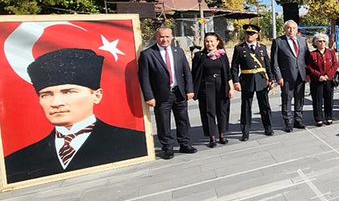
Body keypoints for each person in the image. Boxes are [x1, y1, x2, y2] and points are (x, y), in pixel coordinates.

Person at [5, 49, 148, 183]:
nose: (56, 103)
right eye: (46, 94)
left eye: (68, 92)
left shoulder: (135, 142)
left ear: (96, 96)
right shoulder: (16, 161)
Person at [139, 27, 195, 159]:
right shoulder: (147, 54)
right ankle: (168, 148)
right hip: (161, 94)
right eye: (161, 37)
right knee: (163, 122)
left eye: (167, 37)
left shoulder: (178, 51)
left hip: (179, 92)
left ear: (172, 37)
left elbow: (187, 72)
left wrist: (190, 89)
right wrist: (149, 96)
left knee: (183, 119)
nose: (165, 39)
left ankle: (185, 144)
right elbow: (144, 77)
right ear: (156, 37)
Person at [231, 24, 274, 141]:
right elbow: (234, 67)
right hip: (246, 80)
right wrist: (236, 82)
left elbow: (268, 65)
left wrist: (271, 79)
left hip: (261, 79)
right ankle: (245, 132)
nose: (249, 35)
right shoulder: (239, 48)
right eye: (247, 33)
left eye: (252, 33)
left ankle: (268, 127)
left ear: (257, 35)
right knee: (246, 107)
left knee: (265, 106)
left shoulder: (262, 48)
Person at [192, 33, 233, 148]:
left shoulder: (223, 54)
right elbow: (194, 74)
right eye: (207, 41)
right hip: (206, 86)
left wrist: (231, 88)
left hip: (221, 85)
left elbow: (228, 73)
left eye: (211, 41)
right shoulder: (199, 55)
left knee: (222, 110)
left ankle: (222, 134)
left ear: (217, 42)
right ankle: (212, 137)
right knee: (208, 111)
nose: (209, 44)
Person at [270, 20, 308, 132]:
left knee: (299, 98)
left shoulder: (303, 40)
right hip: (286, 77)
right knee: (287, 99)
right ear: (285, 29)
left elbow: (307, 58)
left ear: (297, 29)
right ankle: (288, 122)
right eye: (288, 28)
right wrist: (278, 77)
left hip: (301, 75)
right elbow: (274, 62)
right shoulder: (278, 42)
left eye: (293, 28)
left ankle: (298, 119)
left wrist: (308, 74)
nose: (291, 30)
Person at [306, 32, 338, 126]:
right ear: (315, 43)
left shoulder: (330, 52)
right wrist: (319, 76)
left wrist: (328, 75)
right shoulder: (312, 54)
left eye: (324, 41)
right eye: (319, 41)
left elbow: (335, 64)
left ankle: (329, 117)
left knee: (329, 99)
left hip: (328, 79)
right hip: (317, 80)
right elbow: (309, 67)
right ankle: (318, 118)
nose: (322, 43)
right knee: (317, 100)